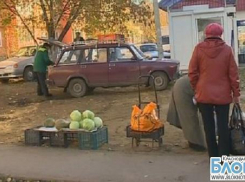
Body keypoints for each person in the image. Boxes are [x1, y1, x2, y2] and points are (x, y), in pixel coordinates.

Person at [188, 23, 240, 158]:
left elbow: (192, 72)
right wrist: (236, 94)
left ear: (206, 34)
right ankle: (223, 157)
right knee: (223, 127)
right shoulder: (227, 50)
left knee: (209, 127)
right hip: (223, 95)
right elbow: (233, 75)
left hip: (204, 94)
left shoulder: (198, 49)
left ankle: (213, 157)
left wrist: (197, 88)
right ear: (220, 34)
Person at [167, 75, 206, 151]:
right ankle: (195, 143)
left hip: (185, 86)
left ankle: (196, 142)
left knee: (190, 119)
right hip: (183, 89)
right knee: (189, 118)